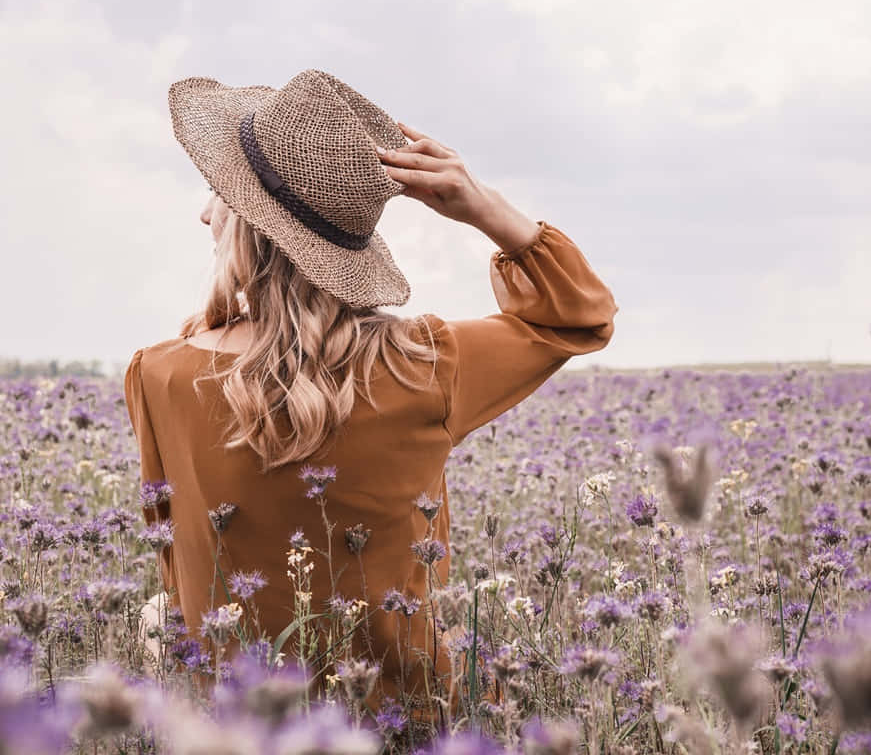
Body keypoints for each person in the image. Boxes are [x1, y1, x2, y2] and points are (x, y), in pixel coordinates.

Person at [124, 70, 618, 735]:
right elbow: (576, 317)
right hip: (414, 723)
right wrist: (480, 206)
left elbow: (178, 566)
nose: (204, 212)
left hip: (245, 727)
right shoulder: (425, 364)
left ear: (244, 226)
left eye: (217, 193)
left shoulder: (158, 376)